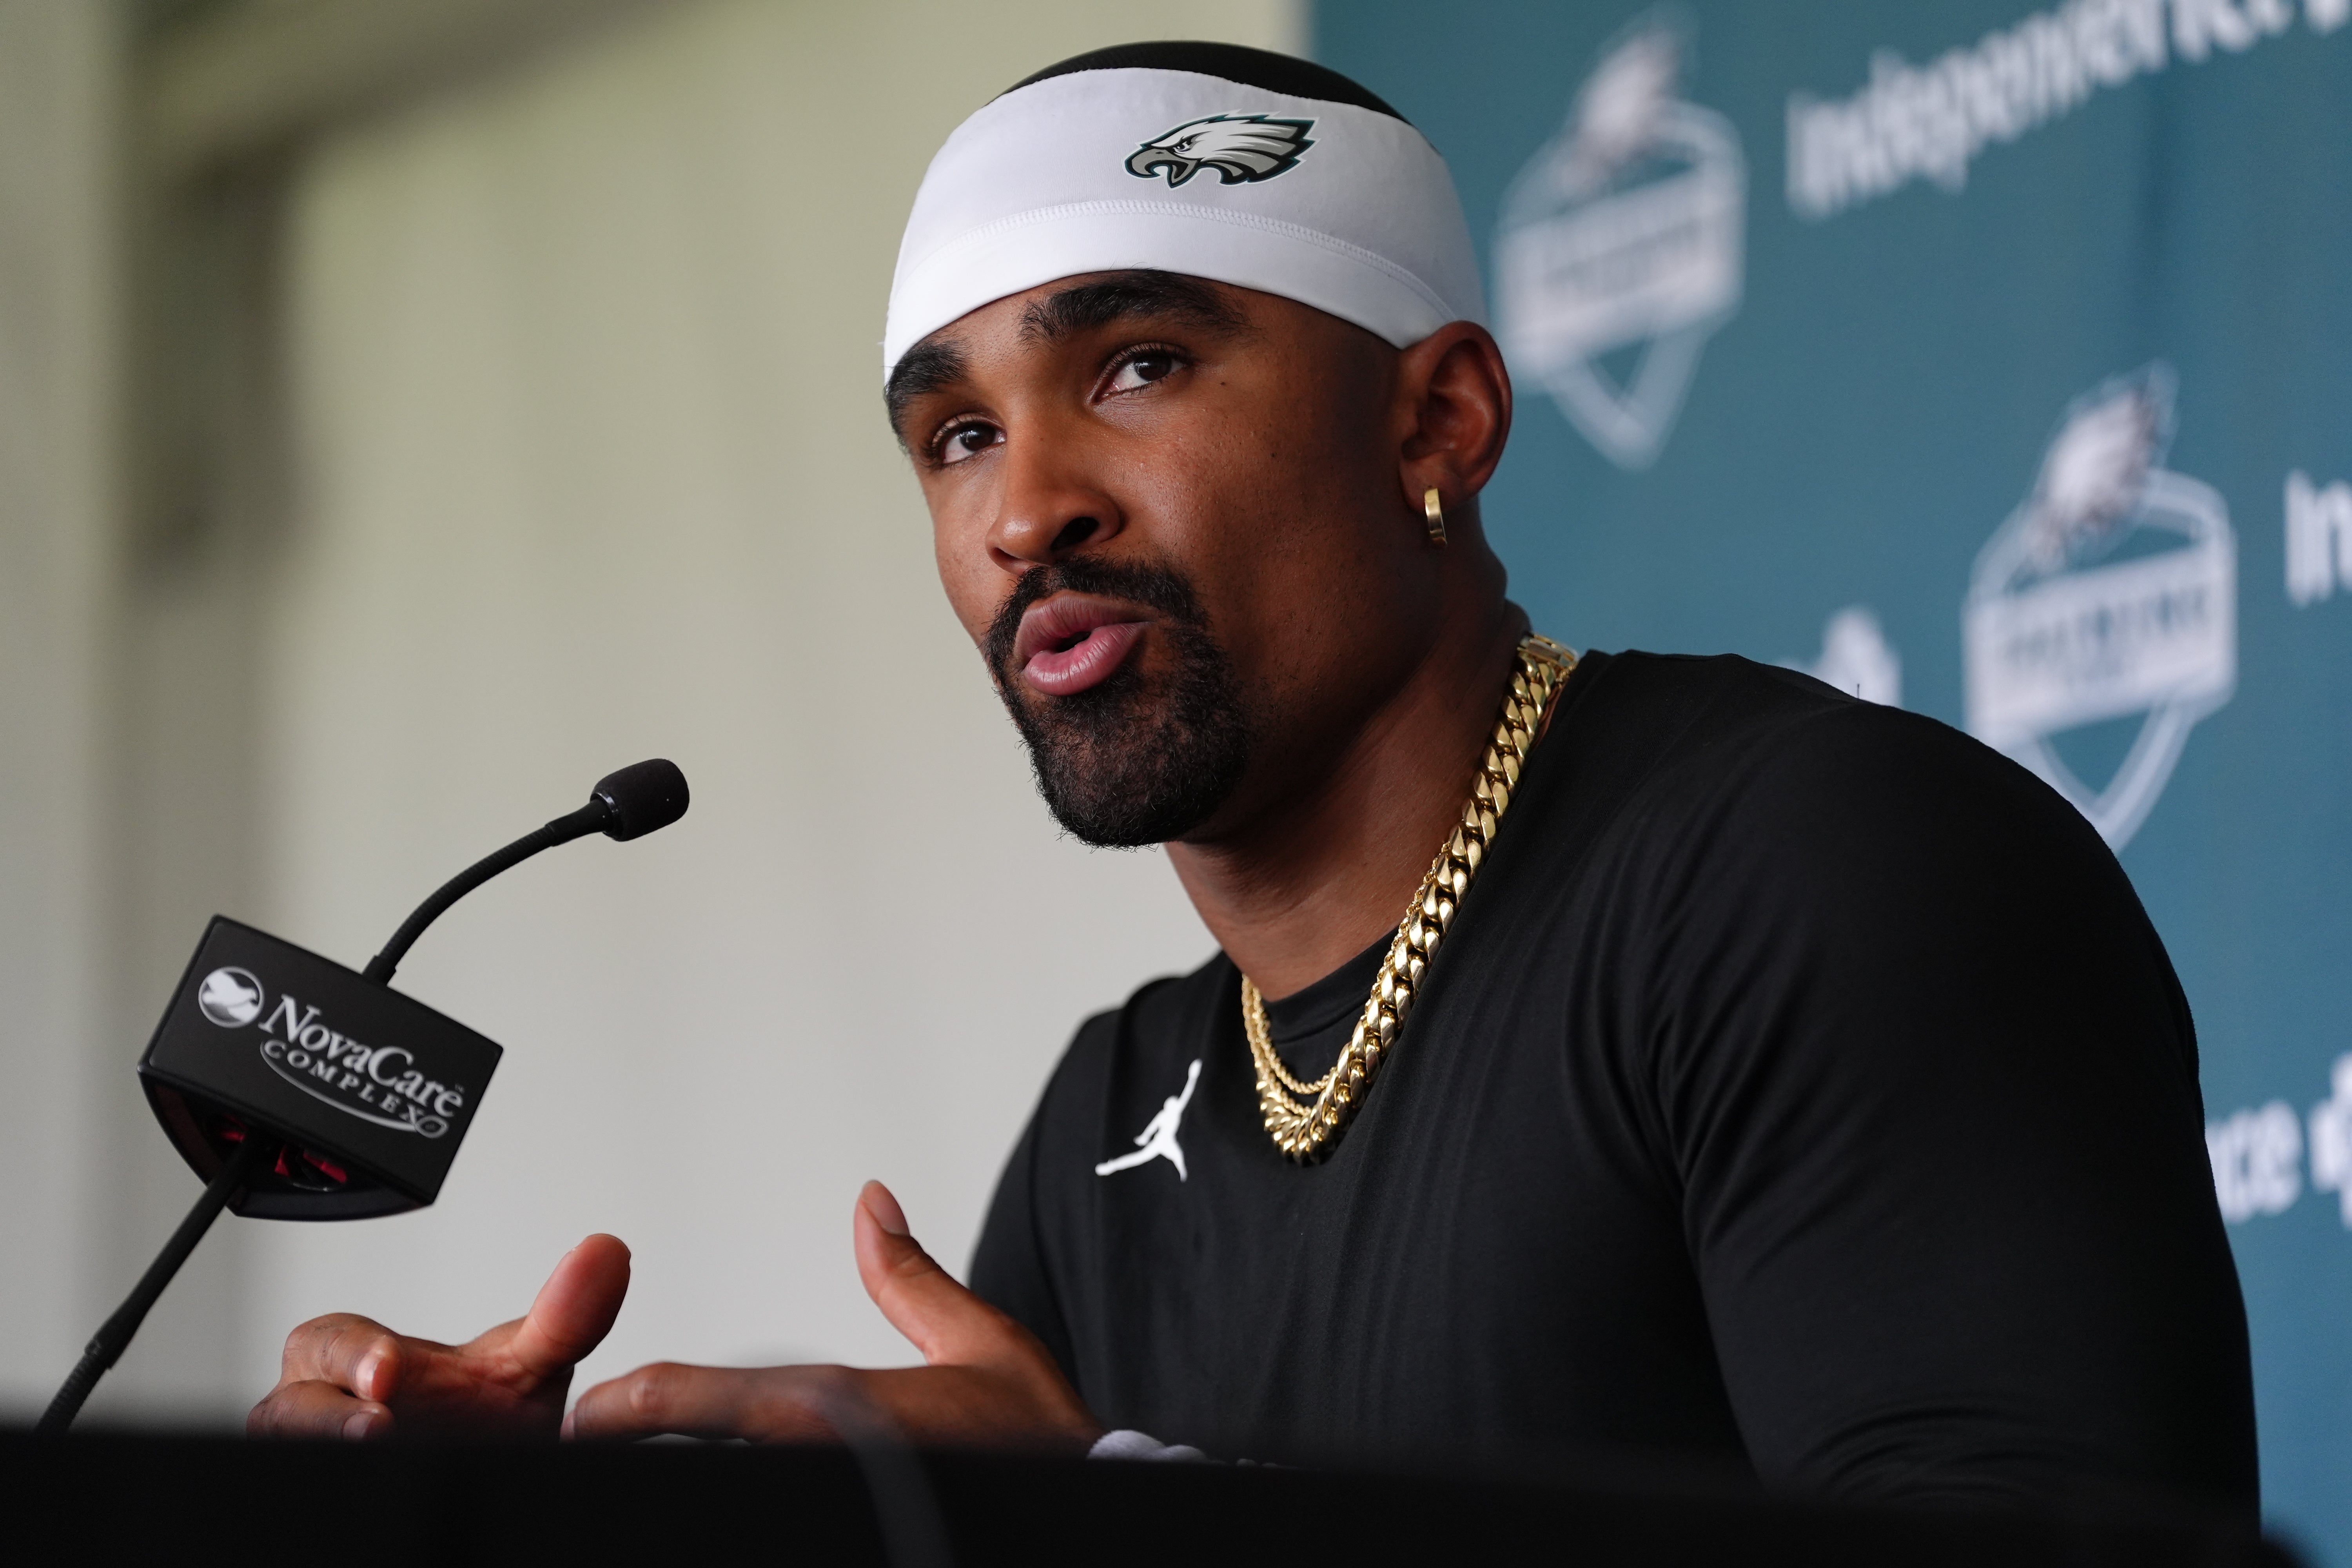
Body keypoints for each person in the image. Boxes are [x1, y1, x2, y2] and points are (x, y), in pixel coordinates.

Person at [249, 42, 2257, 1514]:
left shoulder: (1820, 872)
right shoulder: (1117, 1114)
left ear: (1437, 420)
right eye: (952, 438)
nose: (1025, 505)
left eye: (1133, 363)